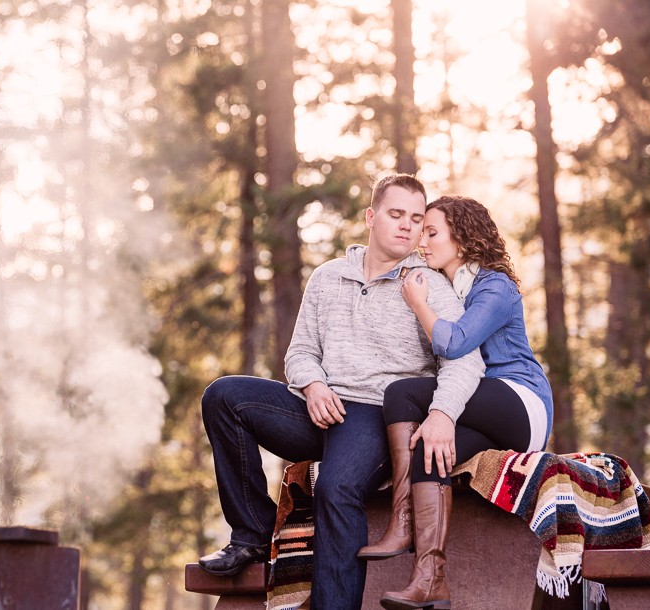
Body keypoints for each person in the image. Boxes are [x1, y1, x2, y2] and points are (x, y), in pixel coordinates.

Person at [198, 175, 485, 609]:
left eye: (415, 218)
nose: (407, 226)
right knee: (224, 396)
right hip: (318, 410)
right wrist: (312, 385)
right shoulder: (328, 277)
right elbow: (299, 352)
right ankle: (252, 535)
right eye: (395, 215)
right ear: (371, 217)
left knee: (335, 487)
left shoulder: (429, 284)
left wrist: (442, 413)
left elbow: (465, 359)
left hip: (378, 415)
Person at [357, 195, 554, 610]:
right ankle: (430, 581)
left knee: (402, 392)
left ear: (462, 240)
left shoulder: (493, 285)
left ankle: (402, 519)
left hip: (520, 402)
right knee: (429, 450)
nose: (421, 241)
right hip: (480, 408)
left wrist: (418, 304)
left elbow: (454, 341)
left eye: (431, 232)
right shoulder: (449, 286)